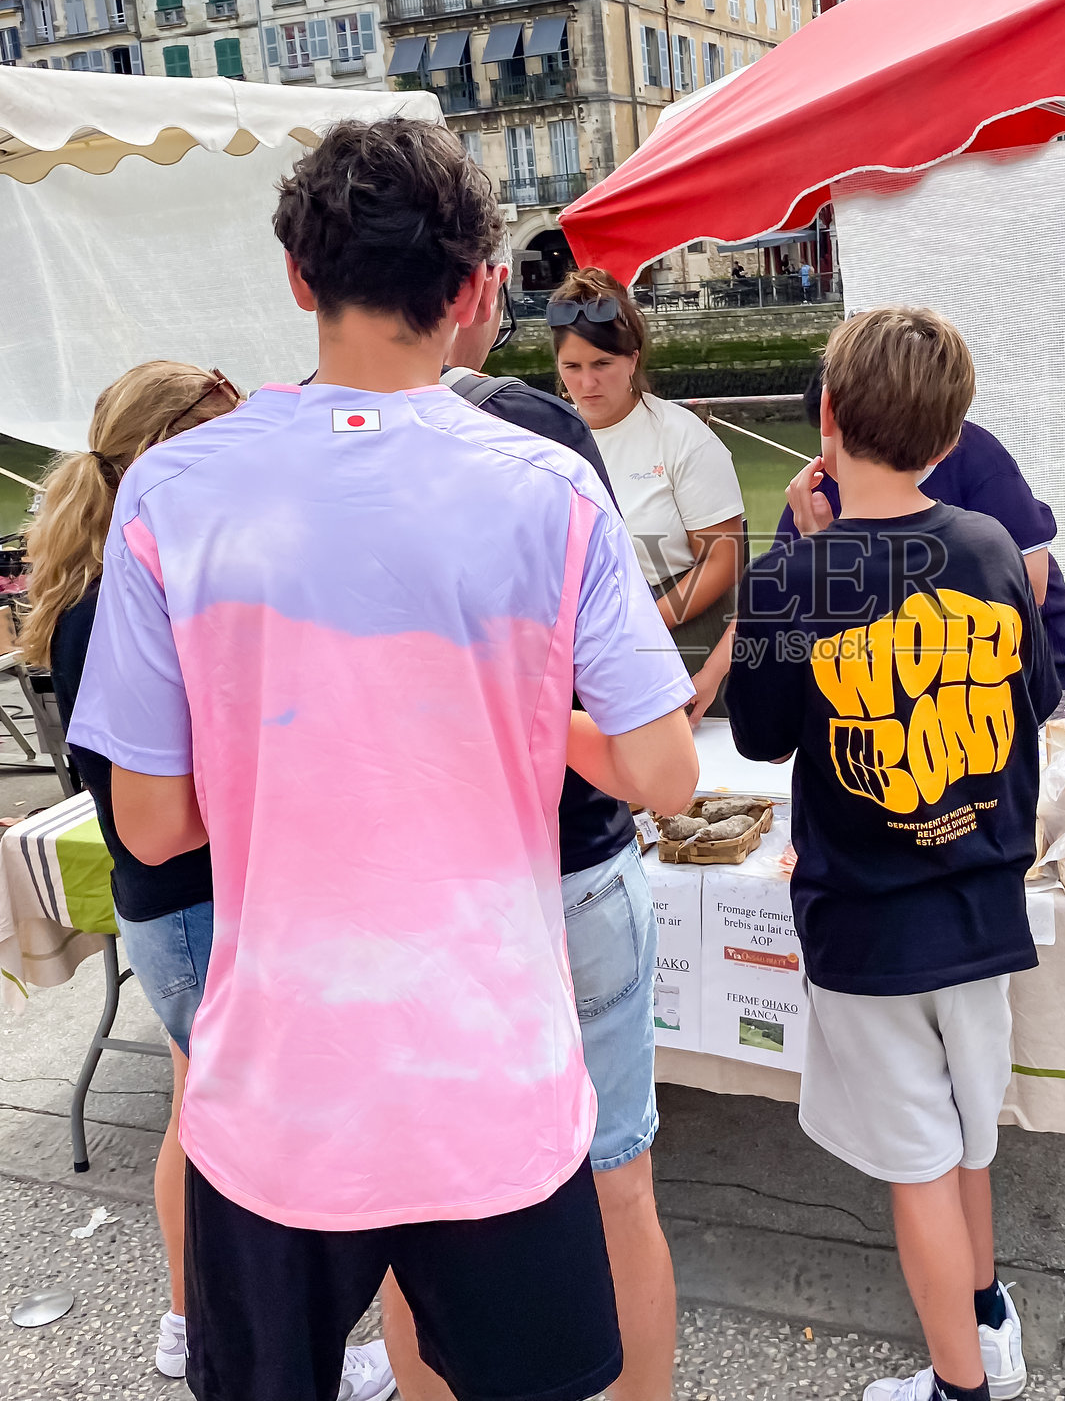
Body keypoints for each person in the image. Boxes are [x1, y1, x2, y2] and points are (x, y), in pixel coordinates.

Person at [68, 117, 699, 1401]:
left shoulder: (172, 490)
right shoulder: (551, 487)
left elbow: (150, 824)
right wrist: (517, 719)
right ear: (475, 292)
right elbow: (664, 772)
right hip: (492, 1083)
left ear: (299, 280)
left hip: (277, 1093)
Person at [19, 362, 397, 1401]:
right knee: (225, 1131)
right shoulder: (119, 602)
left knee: (205, 1115)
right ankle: (216, 1332)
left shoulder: (110, 579)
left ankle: (195, 1325)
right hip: (190, 900)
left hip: (174, 901)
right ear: (159, 453)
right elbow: (162, 799)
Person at [726, 307, 1059, 1401]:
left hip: (868, 919)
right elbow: (1034, 701)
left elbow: (759, 730)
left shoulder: (798, 574)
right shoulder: (991, 546)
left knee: (917, 1163)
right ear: (951, 436)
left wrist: (794, 550)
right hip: (982, 904)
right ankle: (987, 1318)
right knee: (967, 1135)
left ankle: (963, 1385)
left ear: (823, 417)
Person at [436, 268, 679, 1401]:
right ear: (479, 291)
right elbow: (659, 760)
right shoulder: (532, 438)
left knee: (429, 1203)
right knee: (615, 1177)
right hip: (571, 864)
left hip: (444, 881)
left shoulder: (296, 457)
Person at [774, 363, 1065, 698]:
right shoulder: (815, 493)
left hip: (1027, 670)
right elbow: (771, 607)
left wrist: (829, 556)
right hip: (910, 688)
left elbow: (1029, 590)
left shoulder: (977, 460)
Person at [548, 267, 745, 714]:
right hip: (582, 645)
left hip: (679, 631)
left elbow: (724, 557)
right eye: (572, 367)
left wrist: (641, 625)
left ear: (632, 360)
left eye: (602, 364)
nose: (587, 383)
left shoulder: (681, 437)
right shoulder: (547, 439)